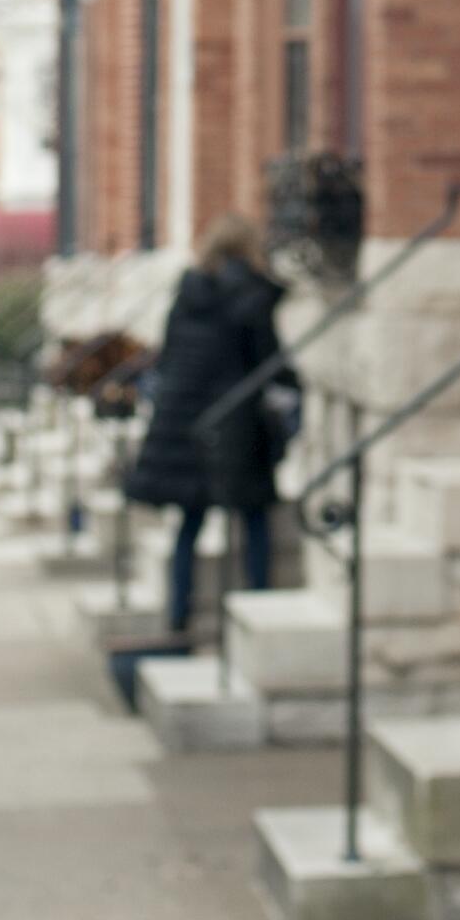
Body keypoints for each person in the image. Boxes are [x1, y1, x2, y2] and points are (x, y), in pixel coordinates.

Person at [119, 216, 291, 636]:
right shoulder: (252, 294)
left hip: (183, 419)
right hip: (234, 422)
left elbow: (171, 353)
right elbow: (269, 362)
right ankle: (259, 608)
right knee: (252, 518)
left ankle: (179, 614)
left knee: (190, 522)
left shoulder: (189, 291)